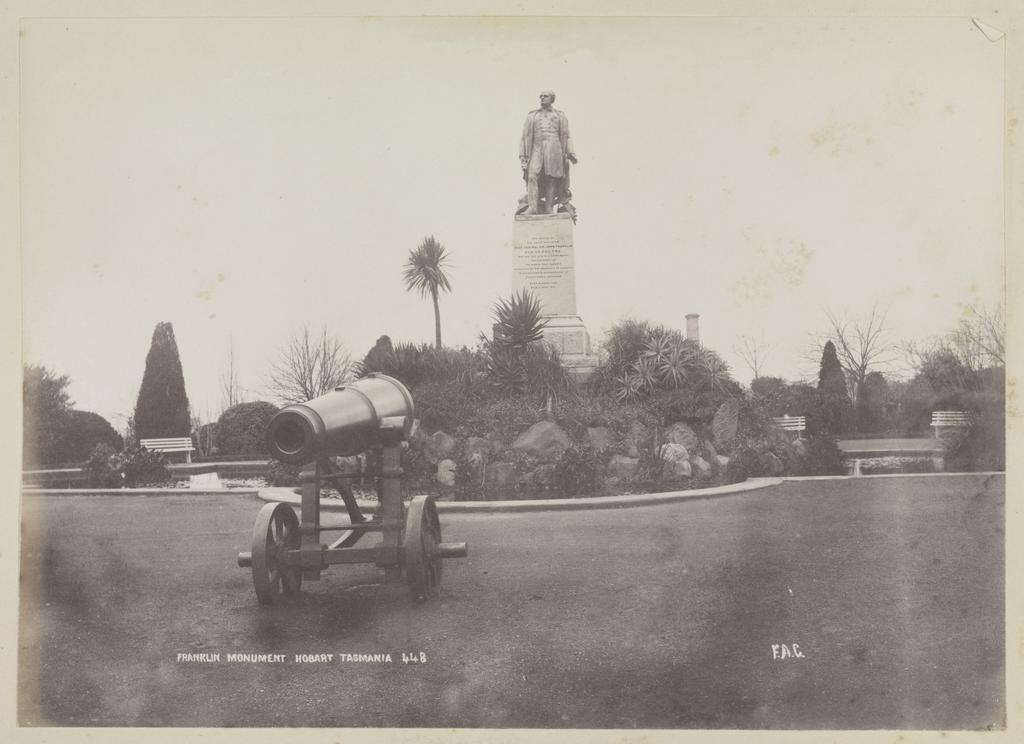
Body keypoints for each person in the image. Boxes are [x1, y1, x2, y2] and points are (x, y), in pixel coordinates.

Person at [519, 90, 578, 215]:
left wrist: (571, 152)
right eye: (540, 96)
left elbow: (567, 135)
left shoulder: (560, 115)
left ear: (552, 99)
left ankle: (549, 208)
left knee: (551, 178)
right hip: (536, 148)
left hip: (554, 148)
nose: (542, 98)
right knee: (532, 175)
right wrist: (523, 156)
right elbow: (524, 136)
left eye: (545, 96)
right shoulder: (532, 116)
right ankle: (533, 207)